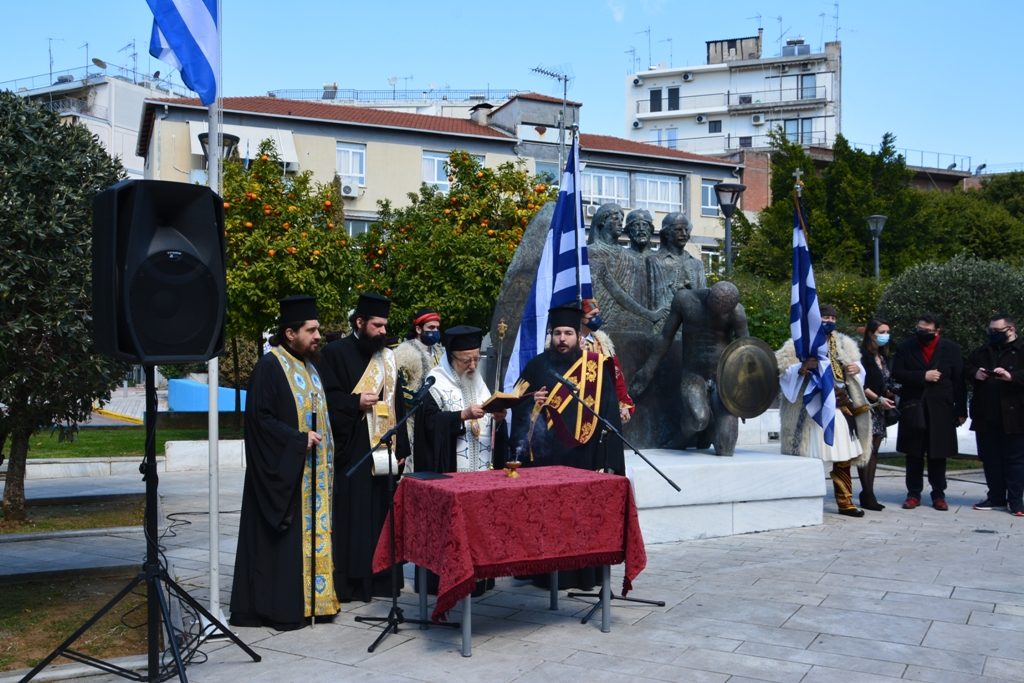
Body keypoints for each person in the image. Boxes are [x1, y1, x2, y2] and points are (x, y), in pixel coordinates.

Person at [230, 295, 340, 630]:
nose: (318, 336)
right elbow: (259, 421)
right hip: (286, 476)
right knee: (284, 545)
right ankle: (284, 609)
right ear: (290, 333)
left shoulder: (310, 366)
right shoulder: (270, 366)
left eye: (318, 329)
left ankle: (315, 603)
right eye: (311, 330)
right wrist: (297, 440)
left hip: (314, 477)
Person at [509, 303, 625, 590]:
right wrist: (532, 403)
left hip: (583, 458)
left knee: (581, 519)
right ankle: (545, 574)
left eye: (568, 333)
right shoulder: (537, 366)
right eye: (557, 333)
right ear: (551, 335)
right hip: (545, 461)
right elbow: (515, 404)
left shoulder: (595, 367)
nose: (562, 339)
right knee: (548, 520)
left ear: (578, 335)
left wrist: (608, 461)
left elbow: (609, 414)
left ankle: (583, 576)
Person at [317, 292, 409, 602]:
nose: (383, 331)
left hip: (384, 449)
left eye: (385, 325)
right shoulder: (334, 353)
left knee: (382, 515)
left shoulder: (388, 358)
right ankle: (353, 583)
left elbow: (397, 402)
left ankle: (382, 580)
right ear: (359, 322)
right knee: (355, 518)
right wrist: (354, 403)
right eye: (377, 325)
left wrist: (402, 448)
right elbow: (325, 399)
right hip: (353, 450)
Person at [631, 282, 748, 456]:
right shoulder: (685, 301)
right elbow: (665, 337)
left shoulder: (737, 312)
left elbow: (745, 351)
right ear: (709, 297)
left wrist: (744, 397)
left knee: (726, 450)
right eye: (717, 309)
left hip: (723, 376)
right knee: (699, 419)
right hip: (694, 373)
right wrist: (648, 369)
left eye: (725, 312)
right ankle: (683, 437)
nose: (720, 314)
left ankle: (711, 428)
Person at [777, 304, 872, 517]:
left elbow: (858, 372)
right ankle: (802, 501)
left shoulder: (845, 344)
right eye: (824, 317)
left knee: (843, 456)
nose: (829, 321)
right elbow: (783, 372)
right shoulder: (797, 344)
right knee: (808, 456)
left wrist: (857, 369)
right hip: (810, 412)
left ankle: (845, 502)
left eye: (832, 318)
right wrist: (802, 367)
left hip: (839, 407)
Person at [891, 313, 967, 511]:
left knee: (938, 453)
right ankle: (913, 493)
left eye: (927, 330)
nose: (922, 333)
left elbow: (959, 381)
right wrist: (922, 376)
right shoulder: (905, 347)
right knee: (913, 453)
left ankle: (939, 494)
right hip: (914, 407)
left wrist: (961, 409)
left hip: (941, 408)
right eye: (919, 329)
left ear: (937, 331)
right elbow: (897, 373)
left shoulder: (951, 348)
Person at [415, 325, 508, 473]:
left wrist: (498, 421)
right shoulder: (436, 383)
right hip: (450, 471)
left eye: (476, 359)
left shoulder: (479, 381)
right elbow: (428, 425)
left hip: (483, 470)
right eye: (466, 361)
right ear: (451, 358)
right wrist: (462, 415)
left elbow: (491, 428)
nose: (473, 366)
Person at [966, 313, 1024, 516]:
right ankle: (996, 496)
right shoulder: (984, 350)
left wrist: (1012, 376)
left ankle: (1016, 501)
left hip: (1016, 416)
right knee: (990, 458)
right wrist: (976, 373)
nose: (993, 334)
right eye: (990, 330)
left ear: (1011, 329)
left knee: (1015, 460)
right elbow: (967, 367)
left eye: (997, 331)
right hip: (987, 414)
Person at [394, 307, 444, 470]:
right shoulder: (403, 352)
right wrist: (415, 400)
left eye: (437, 328)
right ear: (418, 329)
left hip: (435, 417)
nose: (435, 332)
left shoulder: (440, 351)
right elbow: (397, 387)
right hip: (411, 419)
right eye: (431, 328)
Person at [858, 318, 898, 511]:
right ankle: (867, 493)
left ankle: (869, 492)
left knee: (874, 452)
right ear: (870, 333)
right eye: (881, 332)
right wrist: (877, 398)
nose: (885, 336)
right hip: (867, 407)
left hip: (880, 409)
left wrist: (888, 394)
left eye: (887, 332)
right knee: (866, 451)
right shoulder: (861, 356)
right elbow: (859, 383)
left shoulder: (883, 357)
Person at [581, 299, 635, 425]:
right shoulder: (569, 343)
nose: (597, 318)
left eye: (598, 314)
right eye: (593, 315)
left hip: (603, 404)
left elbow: (616, 375)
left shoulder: (602, 342)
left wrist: (623, 403)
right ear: (581, 317)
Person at [648, 212, 707, 313]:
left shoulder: (697, 264)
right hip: (665, 319)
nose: (684, 234)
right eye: (678, 230)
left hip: (692, 319)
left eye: (686, 230)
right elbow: (655, 301)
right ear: (666, 233)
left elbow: (704, 298)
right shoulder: (655, 261)